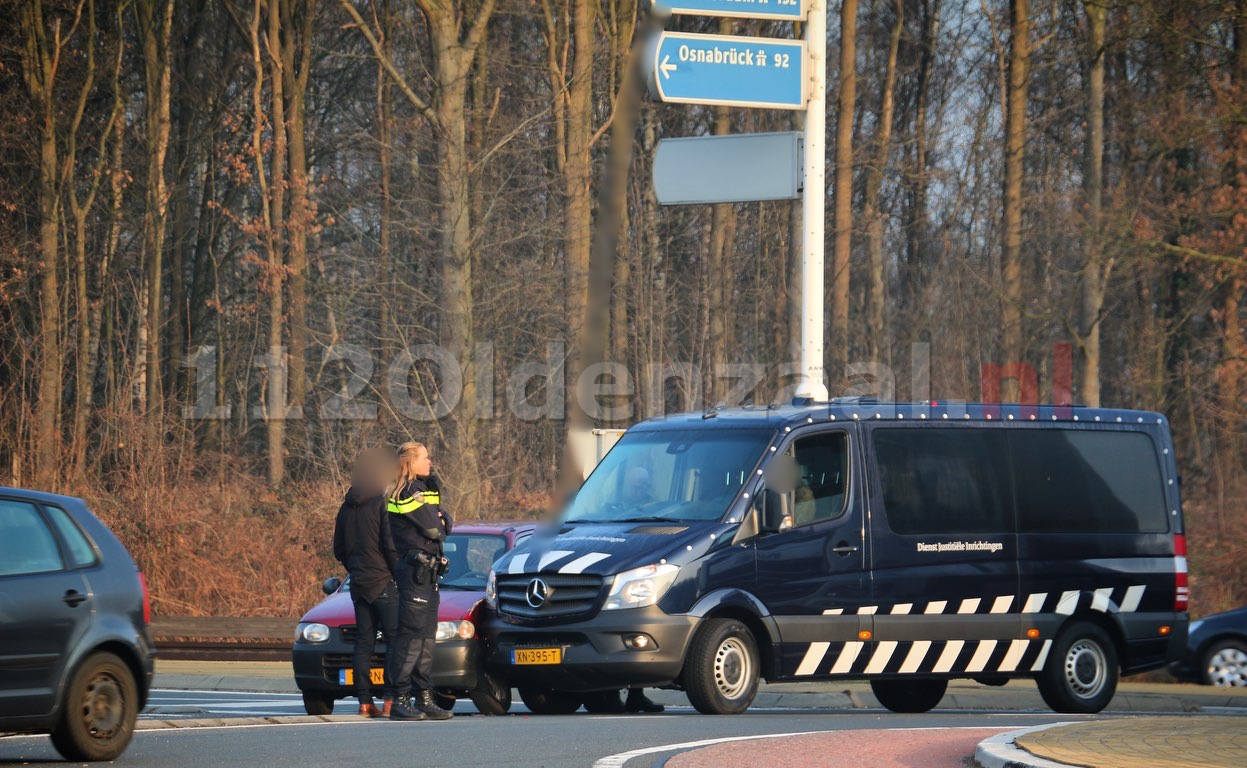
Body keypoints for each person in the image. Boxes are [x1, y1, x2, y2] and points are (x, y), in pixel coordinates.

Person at [386, 441, 454, 721]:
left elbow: (445, 523)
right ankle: (400, 697)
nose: (430, 461)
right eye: (425, 457)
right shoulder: (404, 492)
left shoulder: (424, 490)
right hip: (414, 572)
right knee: (411, 636)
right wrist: (439, 520)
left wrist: (440, 517)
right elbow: (435, 528)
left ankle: (423, 695)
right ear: (410, 462)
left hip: (430, 573)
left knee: (426, 636)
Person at [332, 447, 400, 718]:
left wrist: (355, 568)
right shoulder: (381, 504)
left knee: (364, 643)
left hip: (359, 584)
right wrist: (397, 574)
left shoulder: (345, 509)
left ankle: (364, 701)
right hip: (383, 581)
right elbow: (390, 545)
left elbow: (339, 549)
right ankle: (391, 698)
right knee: (395, 641)